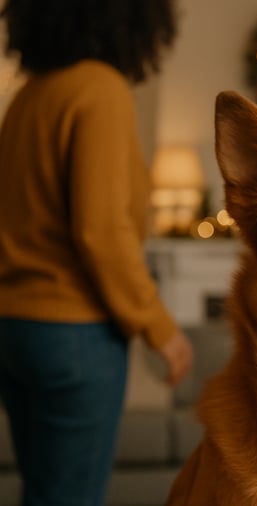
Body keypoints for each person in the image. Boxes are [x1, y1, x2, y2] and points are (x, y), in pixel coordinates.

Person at [0, 1, 194, 504]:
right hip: (74, 334)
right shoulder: (99, 89)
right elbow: (101, 231)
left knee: (43, 493)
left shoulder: (28, 96)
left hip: (15, 327)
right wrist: (161, 330)